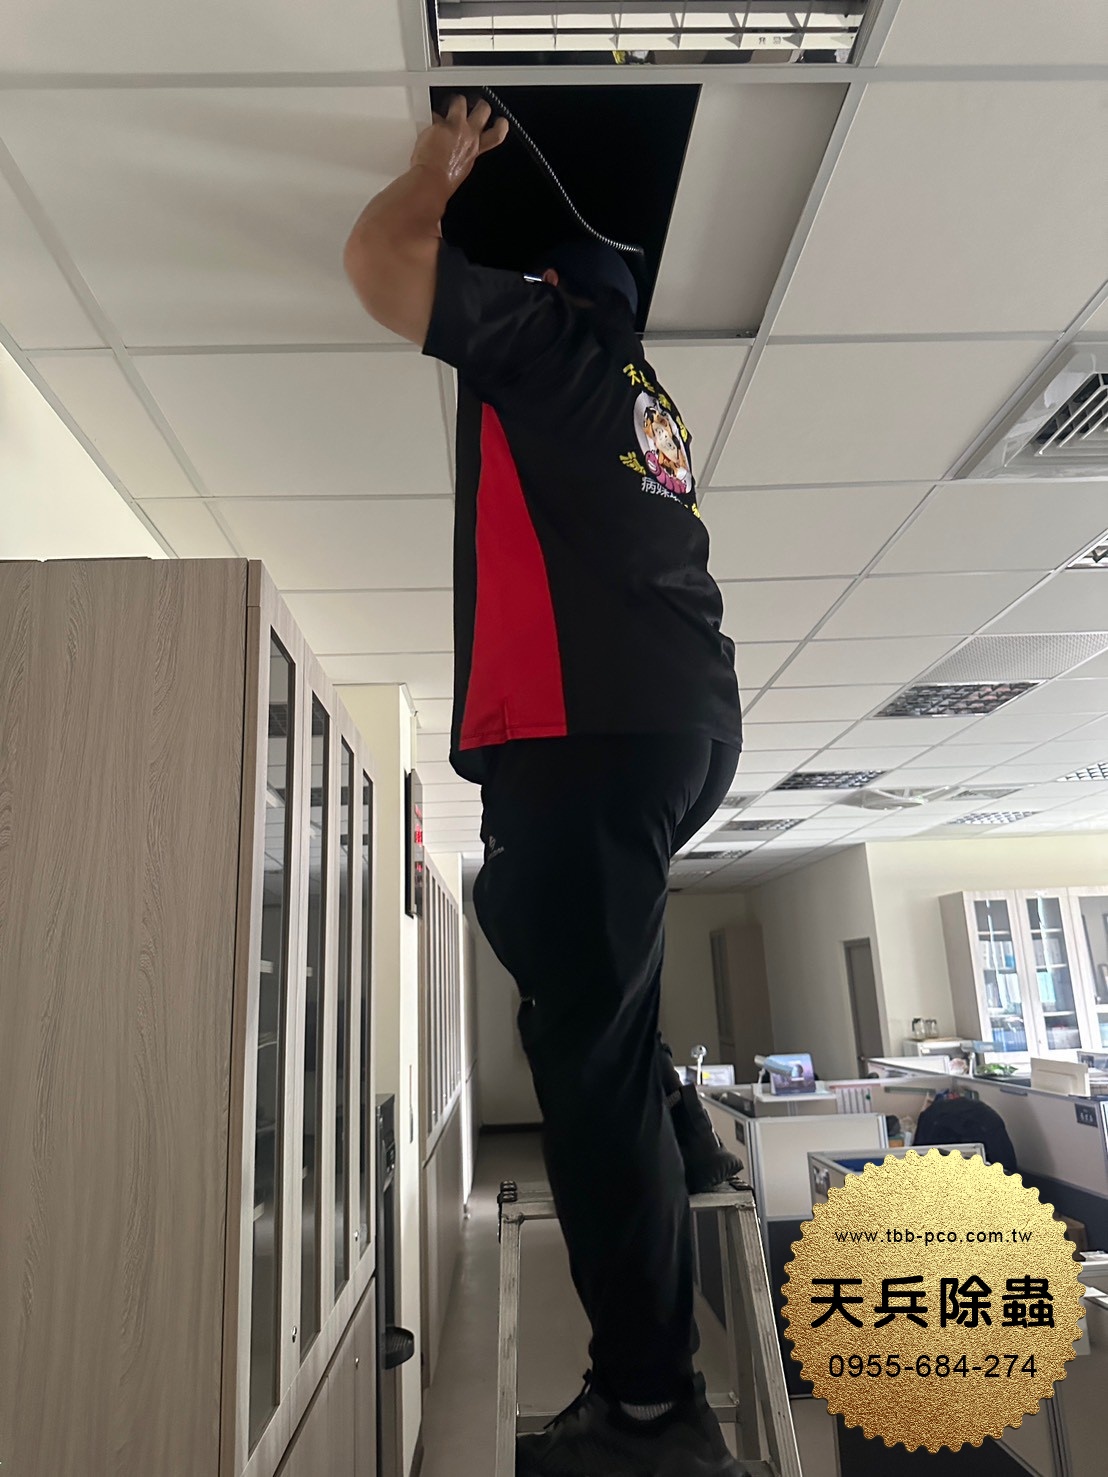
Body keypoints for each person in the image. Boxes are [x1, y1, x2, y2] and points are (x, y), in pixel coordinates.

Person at [344, 96, 744, 1477]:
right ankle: (679, 1131)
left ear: (553, 291)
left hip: (594, 728)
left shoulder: (558, 346)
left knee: (582, 1053)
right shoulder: (637, 392)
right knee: (552, 952)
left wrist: (433, 171)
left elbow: (381, 266)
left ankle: (648, 1409)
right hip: (666, 727)